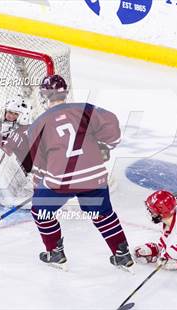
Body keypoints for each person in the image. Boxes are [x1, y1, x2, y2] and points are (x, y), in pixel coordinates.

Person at [28, 74, 134, 271]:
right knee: (103, 214)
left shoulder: (38, 124)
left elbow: (39, 164)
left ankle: (55, 253)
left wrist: (38, 186)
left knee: (41, 211)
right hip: (94, 175)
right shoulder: (85, 109)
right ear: (65, 93)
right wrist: (107, 144)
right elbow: (111, 123)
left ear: (43, 96)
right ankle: (122, 253)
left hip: (62, 180)